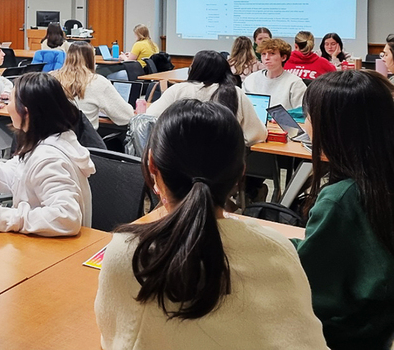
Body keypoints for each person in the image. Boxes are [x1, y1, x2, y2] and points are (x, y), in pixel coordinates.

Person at [95, 99, 327, 349]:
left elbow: (114, 341)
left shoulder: (130, 253)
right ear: (241, 173)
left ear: (152, 165)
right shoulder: (279, 250)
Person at [293, 70, 394, 349]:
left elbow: (310, 287)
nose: (306, 124)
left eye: (309, 116)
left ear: (334, 128)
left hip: (339, 336)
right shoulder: (378, 182)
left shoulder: (340, 199)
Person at [0, 72, 94, 236]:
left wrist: (9, 218)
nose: (7, 105)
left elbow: (67, 217)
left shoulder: (49, 159)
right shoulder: (44, 142)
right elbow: (13, 178)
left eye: (10, 100)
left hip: (55, 253)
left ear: (26, 111)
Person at [148, 50, 268, 146]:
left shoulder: (178, 89)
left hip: (181, 162)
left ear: (194, 69)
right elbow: (256, 135)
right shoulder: (235, 93)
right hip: (224, 167)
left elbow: (150, 117)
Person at [52, 42, 133, 129]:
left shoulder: (50, 78)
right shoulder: (97, 81)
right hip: (83, 140)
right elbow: (126, 117)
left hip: (50, 139)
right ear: (91, 60)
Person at [243, 38, 307, 110]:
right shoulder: (250, 80)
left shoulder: (295, 83)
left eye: (272, 54)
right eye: (263, 54)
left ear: (283, 57)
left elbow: (301, 113)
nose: (266, 58)